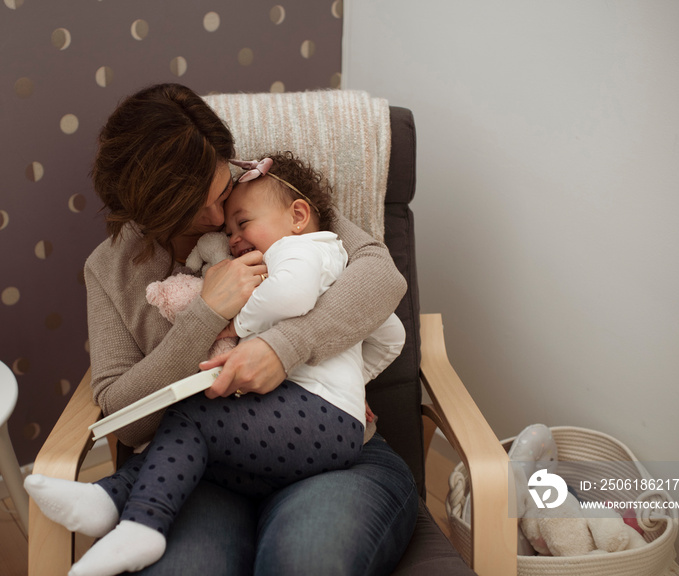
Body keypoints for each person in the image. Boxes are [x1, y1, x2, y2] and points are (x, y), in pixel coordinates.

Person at [26, 84, 418, 575]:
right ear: (146, 214)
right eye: (194, 209)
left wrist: (284, 348)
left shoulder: (262, 191)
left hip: (333, 453)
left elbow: (380, 276)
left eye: (219, 191)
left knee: (306, 563)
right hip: (196, 475)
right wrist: (206, 314)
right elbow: (125, 418)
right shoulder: (111, 270)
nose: (218, 218)